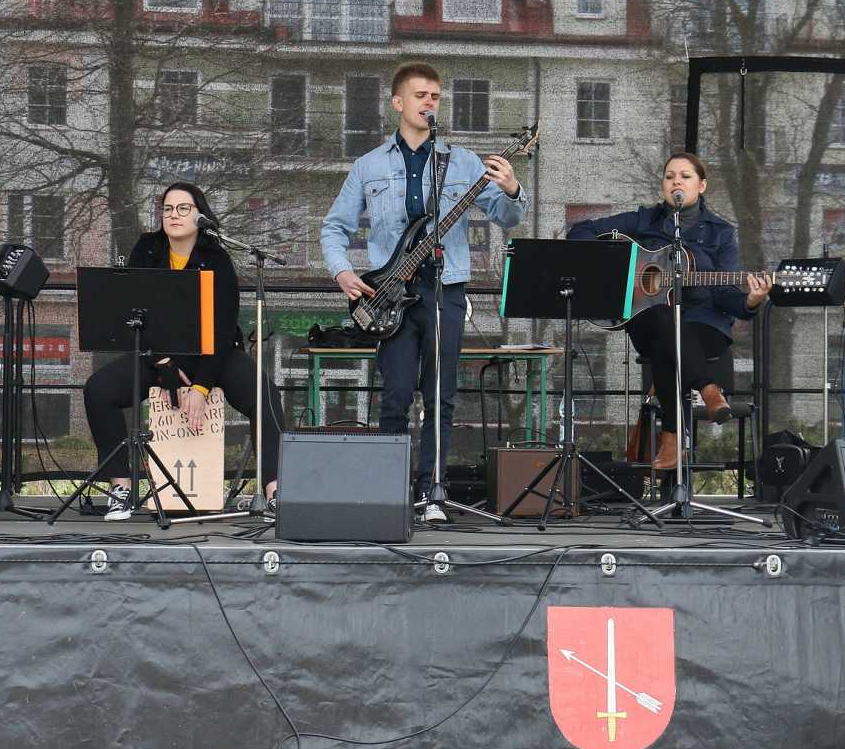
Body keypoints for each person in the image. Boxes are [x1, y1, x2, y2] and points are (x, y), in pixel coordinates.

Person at [321, 62, 528, 522]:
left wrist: (513, 188)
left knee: (440, 395)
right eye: (420, 95)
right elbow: (334, 227)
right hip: (389, 292)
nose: (430, 102)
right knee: (396, 392)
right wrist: (342, 272)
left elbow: (507, 217)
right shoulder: (369, 165)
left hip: (444, 288)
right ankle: (389, 491)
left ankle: (432, 490)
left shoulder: (462, 162)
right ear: (398, 103)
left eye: (435, 95)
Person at [83, 182, 285, 521]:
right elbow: (134, 310)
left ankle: (274, 490)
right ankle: (121, 488)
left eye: (183, 208)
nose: (173, 215)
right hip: (158, 354)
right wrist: (163, 365)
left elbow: (223, 329)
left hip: (212, 355)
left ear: (200, 215)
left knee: (264, 393)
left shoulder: (217, 258)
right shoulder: (147, 249)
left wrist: (201, 387)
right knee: (98, 389)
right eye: (167, 209)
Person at [569, 152, 772, 470]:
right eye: (669, 176)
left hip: (704, 323)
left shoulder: (720, 232)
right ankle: (708, 388)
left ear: (701, 185)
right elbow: (580, 231)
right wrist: (617, 266)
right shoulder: (643, 221)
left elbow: (725, 297)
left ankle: (672, 438)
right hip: (647, 318)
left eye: (685, 176)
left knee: (667, 344)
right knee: (664, 317)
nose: (676, 181)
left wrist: (752, 301)